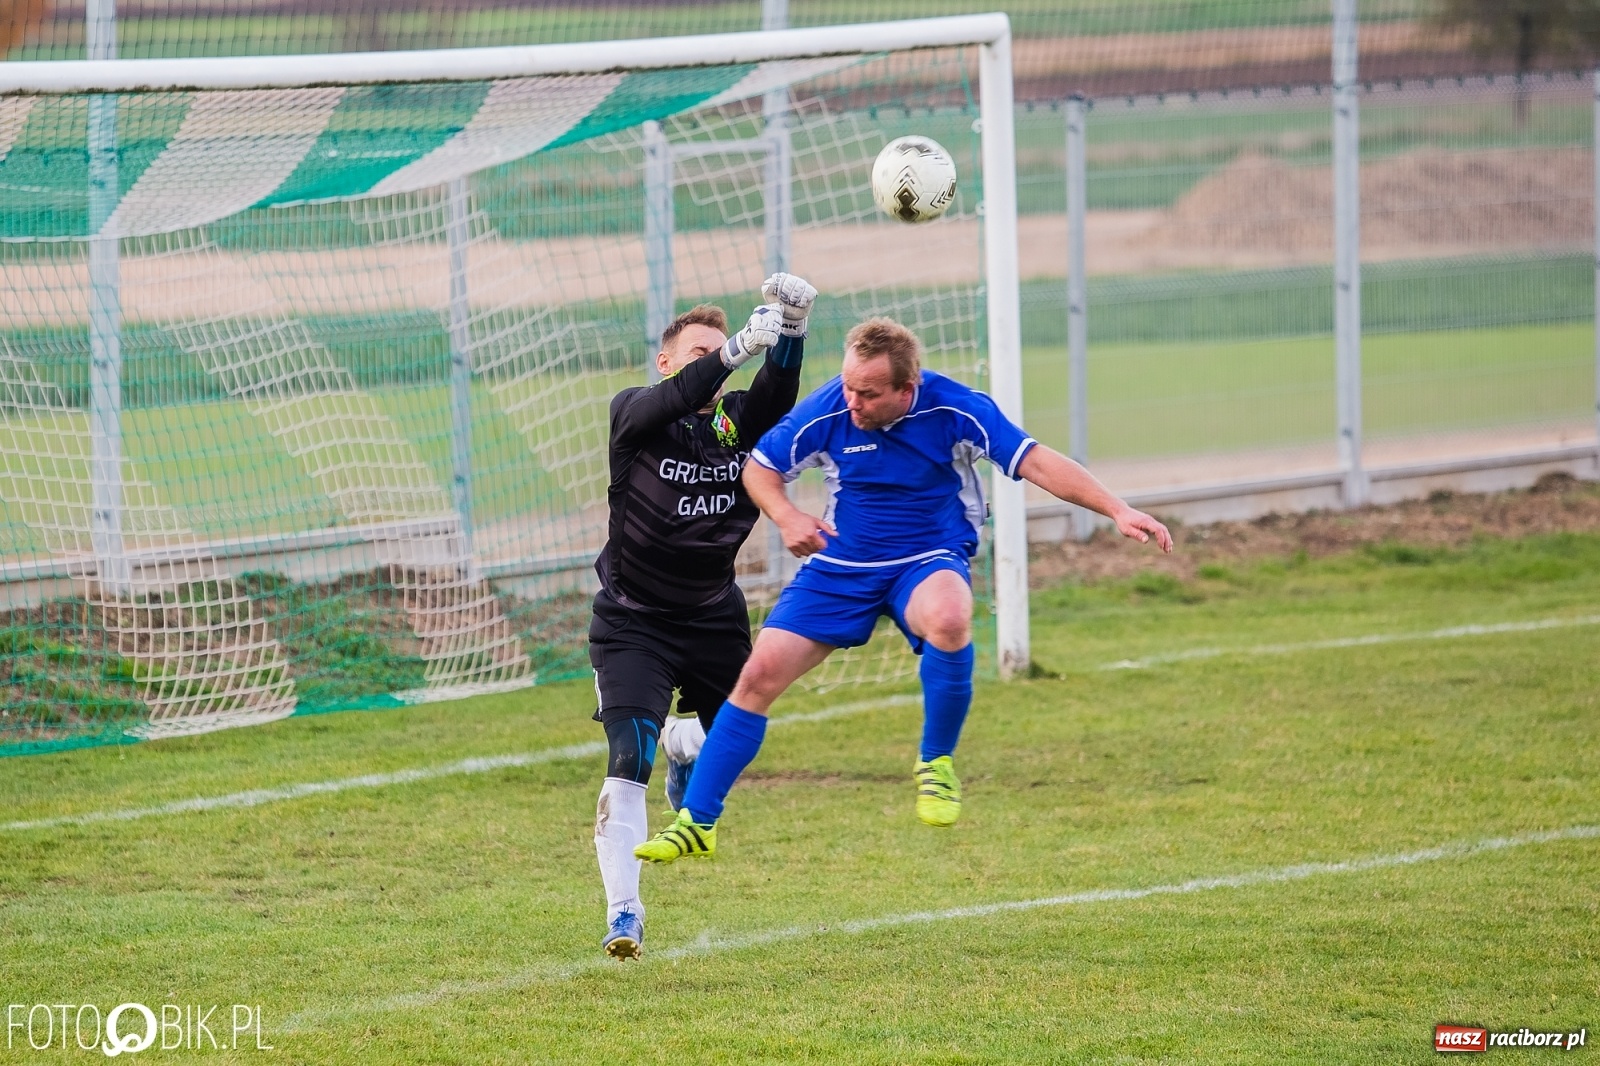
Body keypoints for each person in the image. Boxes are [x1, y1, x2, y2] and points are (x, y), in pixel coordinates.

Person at [634, 316, 1173, 864]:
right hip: (842, 563)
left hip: (926, 558)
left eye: (867, 394)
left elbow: (1035, 460)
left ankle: (935, 762)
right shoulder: (831, 405)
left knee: (949, 614)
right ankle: (698, 821)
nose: (852, 402)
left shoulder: (955, 407)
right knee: (757, 677)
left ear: (906, 391)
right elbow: (761, 468)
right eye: (847, 387)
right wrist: (787, 516)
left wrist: (1118, 509)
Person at [589, 273, 816, 960]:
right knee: (628, 755)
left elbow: (775, 395)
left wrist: (793, 329)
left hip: (715, 616)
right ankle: (624, 912)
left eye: (721, 350)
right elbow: (685, 393)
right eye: (697, 353)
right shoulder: (633, 413)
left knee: (739, 740)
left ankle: (685, 750)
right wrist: (739, 346)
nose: (712, 362)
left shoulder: (729, 424)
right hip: (633, 621)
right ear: (666, 363)